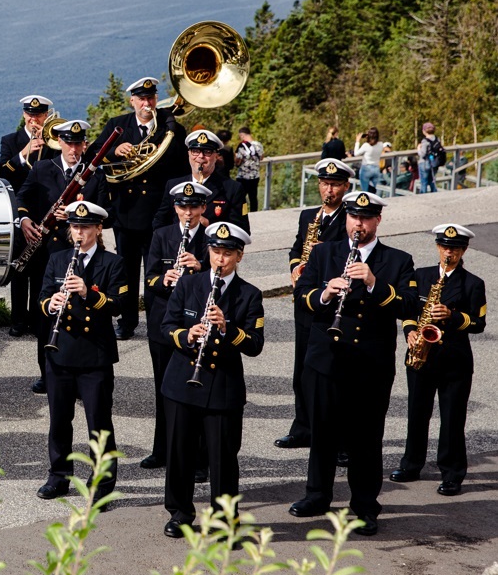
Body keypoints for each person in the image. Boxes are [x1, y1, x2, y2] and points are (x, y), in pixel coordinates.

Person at [290, 191, 416, 536]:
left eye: (366, 217)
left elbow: (408, 305)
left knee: (365, 438)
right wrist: (326, 293)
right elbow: (301, 296)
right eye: (353, 217)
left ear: (377, 220)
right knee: (323, 432)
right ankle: (317, 495)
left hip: (369, 366)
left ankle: (364, 506)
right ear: (346, 218)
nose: (358, 223)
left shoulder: (397, 260)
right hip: (325, 360)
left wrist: (374, 282)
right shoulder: (324, 252)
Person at [160, 222, 264, 539]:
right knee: (179, 452)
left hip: (222, 388)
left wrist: (226, 329)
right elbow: (167, 326)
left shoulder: (249, 295)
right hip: (182, 382)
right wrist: (187, 335)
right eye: (216, 252)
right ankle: (180, 512)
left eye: (227, 253)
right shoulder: (189, 286)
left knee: (222, 459)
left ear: (239, 256)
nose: (220, 259)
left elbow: (255, 345)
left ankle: (223, 520)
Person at [36, 200, 126, 500]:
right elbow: (43, 297)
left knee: (98, 422)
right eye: (75, 227)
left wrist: (88, 292)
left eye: (85, 227)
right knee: (59, 419)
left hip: (94, 354)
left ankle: (101, 482)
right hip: (59, 350)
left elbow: (119, 305)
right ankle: (59, 475)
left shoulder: (112, 263)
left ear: (98, 229)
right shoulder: (58, 259)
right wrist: (52, 305)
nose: (79, 233)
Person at [391, 224, 486, 497]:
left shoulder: (473, 283)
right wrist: (410, 331)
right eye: (445, 247)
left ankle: (452, 473)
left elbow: (479, 323)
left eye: (454, 249)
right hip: (421, 355)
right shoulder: (420, 276)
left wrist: (452, 316)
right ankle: (411, 464)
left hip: (454, 361)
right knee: (417, 412)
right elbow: (408, 309)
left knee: (453, 418)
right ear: (437, 247)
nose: (449, 252)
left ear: (463, 250)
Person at [17, 120, 112, 393]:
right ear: (59, 142)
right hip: (47, 253)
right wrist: (24, 220)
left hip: (83, 253)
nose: (74, 148)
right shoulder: (43, 167)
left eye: (78, 143)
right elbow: (21, 198)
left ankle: (82, 373)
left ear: (84, 144)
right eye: (69, 143)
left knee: (83, 313)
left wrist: (75, 212)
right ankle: (47, 374)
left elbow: (109, 213)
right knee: (46, 312)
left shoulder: (95, 174)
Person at [90, 77, 188, 341]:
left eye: (151, 98)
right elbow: (92, 154)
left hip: (159, 213)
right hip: (126, 213)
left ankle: (159, 320)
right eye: (141, 99)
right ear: (132, 101)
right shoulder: (117, 125)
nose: (147, 103)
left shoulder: (170, 128)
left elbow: (182, 172)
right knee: (128, 272)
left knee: (157, 271)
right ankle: (128, 320)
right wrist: (113, 151)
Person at [275, 159, 354, 451]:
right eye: (324, 184)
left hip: (332, 303)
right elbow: (297, 248)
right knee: (302, 369)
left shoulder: (351, 217)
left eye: (335, 185)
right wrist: (296, 267)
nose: (329, 190)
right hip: (306, 299)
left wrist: (325, 253)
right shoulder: (309, 216)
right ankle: (302, 428)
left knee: (333, 371)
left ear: (346, 186)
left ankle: (340, 438)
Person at [140, 181, 211, 470]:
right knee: (163, 387)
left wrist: (201, 268)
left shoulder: (211, 239)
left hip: (196, 324)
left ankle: (199, 457)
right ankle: (163, 449)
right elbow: (149, 278)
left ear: (203, 208)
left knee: (196, 389)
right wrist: (165, 279)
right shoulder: (162, 235)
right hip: (164, 322)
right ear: (175, 208)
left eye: (194, 207)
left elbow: (222, 283)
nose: (188, 212)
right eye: (183, 206)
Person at [0, 95, 58, 338]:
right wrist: (24, 152)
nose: (35, 120)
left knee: (42, 269)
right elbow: (2, 172)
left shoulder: (53, 141)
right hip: (20, 215)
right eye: (31, 115)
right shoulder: (10, 141)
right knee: (20, 269)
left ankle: (37, 318)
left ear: (46, 116)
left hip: (47, 215)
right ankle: (18, 320)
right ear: (24, 115)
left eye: (39, 115)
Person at [151, 129, 249, 233]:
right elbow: (159, 223)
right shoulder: (173, 185)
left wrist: (209, 225)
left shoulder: (233, 188)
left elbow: (242, 229)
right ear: (188, 154)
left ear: (216, 156)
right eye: (195, 151)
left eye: (207, 152)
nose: (201, 156)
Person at [233, 127, 263, 213]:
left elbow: (238, 161)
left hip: (243, 176)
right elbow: (261, 157)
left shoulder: (242, 146)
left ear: (242, 135)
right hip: (255, 175)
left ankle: (244, 212)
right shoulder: (258, 145)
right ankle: (254, 213)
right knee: (253, 196)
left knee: (242, 197)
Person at [352, 128, 389, 194]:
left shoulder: (366, 146)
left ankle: (366, 203)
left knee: (365, 191)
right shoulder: (381, 144)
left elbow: (356, 153)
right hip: (376, 168)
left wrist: (357, 141)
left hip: (366, 168)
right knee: (372, 190)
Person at [416, 122, 442, 195]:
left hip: (424, 163)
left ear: (424, 131)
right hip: (434, 163)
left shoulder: (425, 141)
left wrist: (418, 148)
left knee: (424, 182)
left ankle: (423, 197)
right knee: (432, 181)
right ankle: (434, 195)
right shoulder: (437, 139)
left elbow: (422, 154)